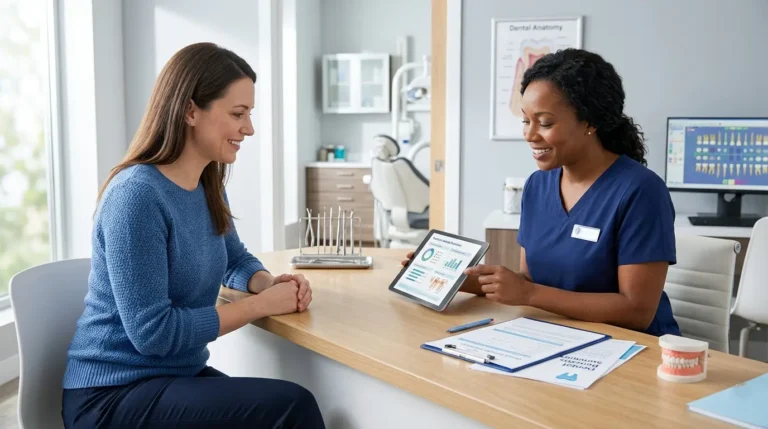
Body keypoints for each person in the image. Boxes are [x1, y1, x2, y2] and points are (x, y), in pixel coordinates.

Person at [61, 42, 326, 428]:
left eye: (249, 114)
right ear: (189, 110)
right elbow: (153, 334)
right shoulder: (136, 197)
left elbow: (233, 259)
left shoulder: (207, 184)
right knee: (290, 407)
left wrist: (267, 283)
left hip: (172, 378)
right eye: (238, 113)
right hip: (110, 396)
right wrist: (261, 306)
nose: (248, 129)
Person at [404, 48, 680, 337]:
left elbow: (637, 311)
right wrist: (459, 279)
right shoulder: (538, 185)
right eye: (526, 120)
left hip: (635, 350)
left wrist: (528, 293)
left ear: (590, 123)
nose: (530, 134)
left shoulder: (641, 191)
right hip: (556, 336)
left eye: (545, 123)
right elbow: (532, 281)